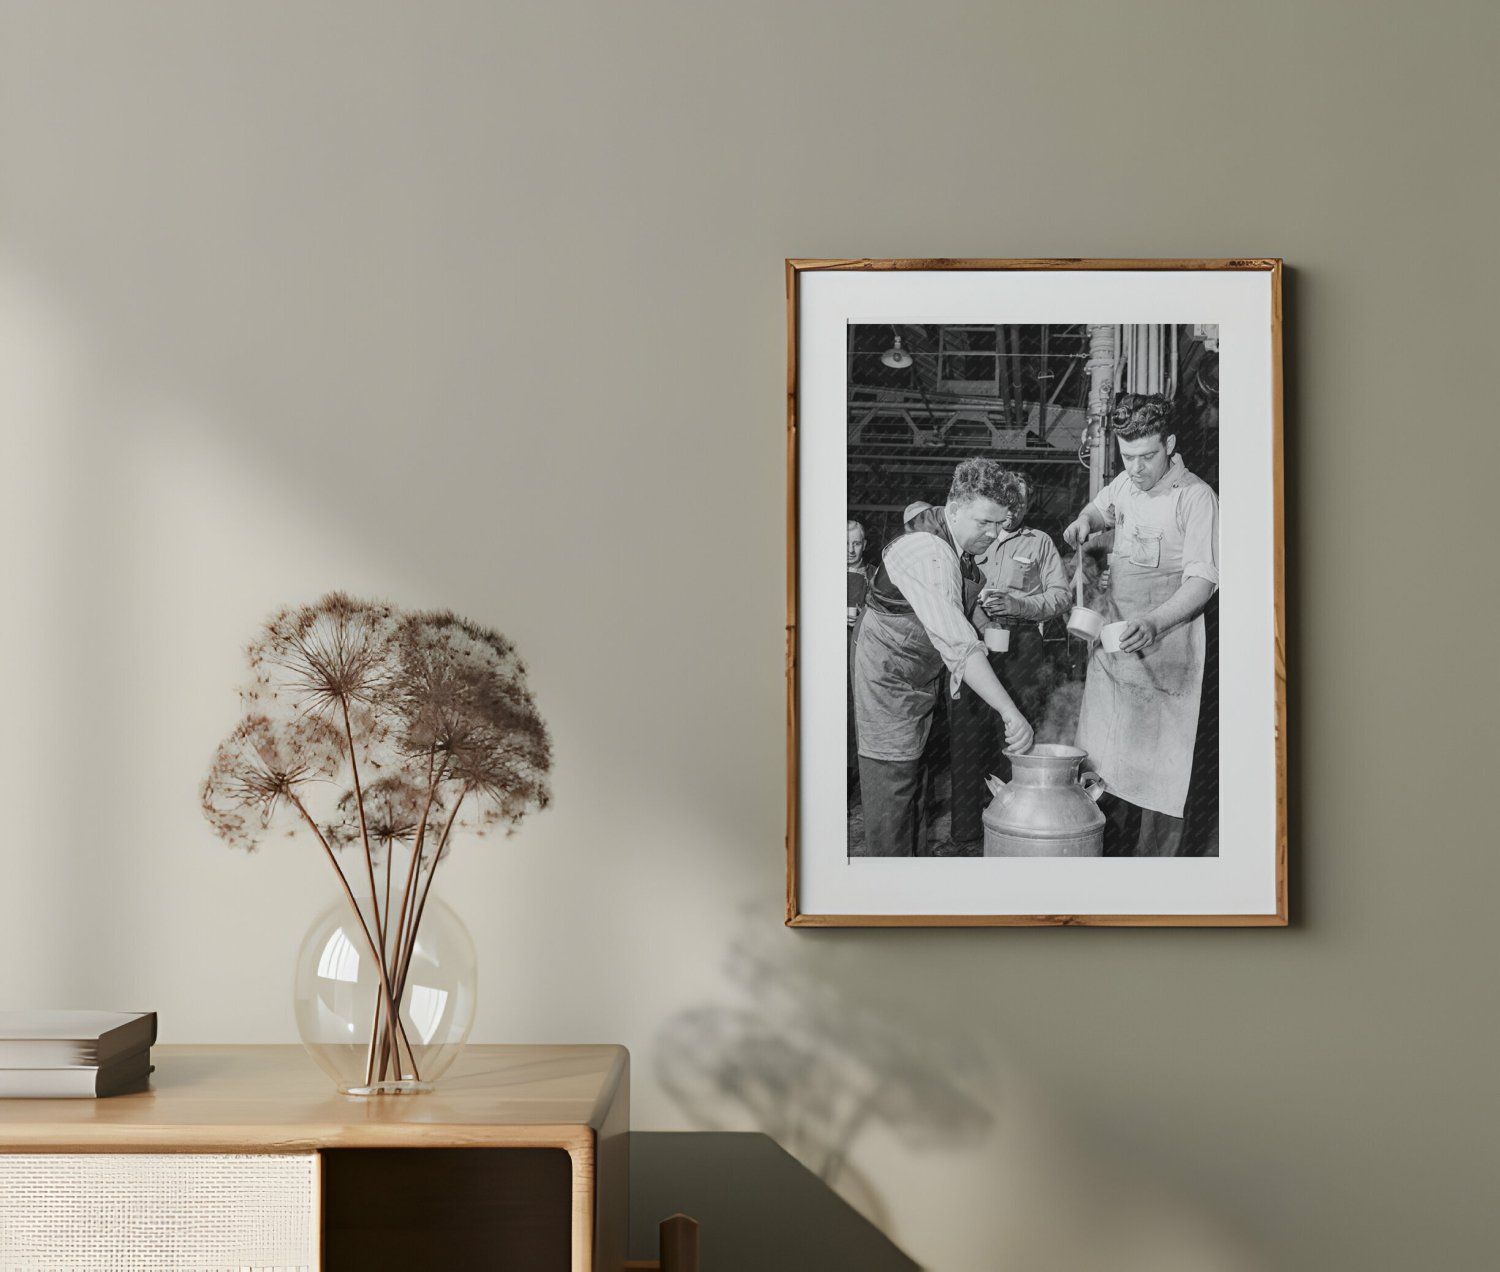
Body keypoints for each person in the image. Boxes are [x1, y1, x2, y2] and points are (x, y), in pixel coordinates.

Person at [1061, 395, 1219, 857]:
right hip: (1115, 654)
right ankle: (1099, 858)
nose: (1135, 468)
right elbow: (1099, 509)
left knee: (1160, 777)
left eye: (1146, 456)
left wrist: (1154, 623)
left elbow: (1203, 582)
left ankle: (1155, 883)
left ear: (1169, 444)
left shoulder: (1196, 497)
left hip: (1166, 652)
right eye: (1126, 457)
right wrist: (1082, 522)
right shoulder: (1125, 487)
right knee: (1103, 760)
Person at [852, 460, 1035, 857]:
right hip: (888, 677)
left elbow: (960, 611)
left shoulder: (957, 543)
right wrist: (1010, 712)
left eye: (1000, 524)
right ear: (954, 509)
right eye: (984, 522)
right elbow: (959, 646)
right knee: (893, 790)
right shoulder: (928, 553)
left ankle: (914, 887)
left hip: (918, 675)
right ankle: (884, 899)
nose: (993, 533)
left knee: (916, 785)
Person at [946, 469, 1072, 846]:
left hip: (1022, 649)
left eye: (1019, 505)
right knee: (967, 736)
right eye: (1006, 505)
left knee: (1015, 737)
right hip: (973, 643)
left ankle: (1014, 829)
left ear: (1028, 504)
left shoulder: (1040, 543)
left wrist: (1018, 603)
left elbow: (1061, 597)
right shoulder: (971, 539)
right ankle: (965, 835)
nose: (1011, 513)